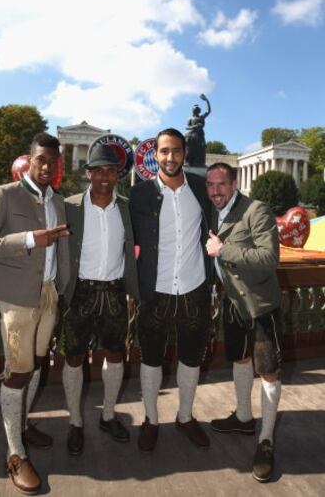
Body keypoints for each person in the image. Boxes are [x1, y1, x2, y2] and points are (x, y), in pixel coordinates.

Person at [0, 133, 70, 495]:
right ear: (29, 160)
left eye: (52, 162)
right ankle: (14, 453)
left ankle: (22, 425)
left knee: (38, 364)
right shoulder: (4, 194)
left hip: (47, 296)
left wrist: (62, 289)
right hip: (16, 299)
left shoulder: (56, 200)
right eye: (41, 159)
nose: (46, 167)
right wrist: (29, 239)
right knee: (18, 372)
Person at [129, 128, 212, 452]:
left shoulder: (201, 191)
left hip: (195, 289)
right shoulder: (140, 195)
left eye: (176, 151)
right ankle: (151, 420)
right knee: (150, 359)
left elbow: (220, 225)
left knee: (192, 358)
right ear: (156, 155)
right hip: (155, 291)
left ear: (184, 153)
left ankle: (185, 416)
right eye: (164, 151)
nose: (170, 157)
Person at [205, 162, 282, 483]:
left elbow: (269, 258)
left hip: (261, 306)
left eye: (221, 185)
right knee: (239, 358)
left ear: (234, 184)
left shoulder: (257, 210)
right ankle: (243, 416)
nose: (215, 191)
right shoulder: (213, 211)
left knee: (267, 368)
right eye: (210, 185)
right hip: (232, 302)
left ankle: (266, 439)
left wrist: (224, 250)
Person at [61, 144, 139, 456]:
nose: (105, 176)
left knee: (117, 353)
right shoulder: (70, 206)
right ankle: (75, 421)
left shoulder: (126, 208)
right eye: (99, 170)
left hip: (115, 290)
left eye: (111, 170)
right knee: (74, 356)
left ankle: (108, 415)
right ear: (88, 173)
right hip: (79, 291)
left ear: (119, 175)